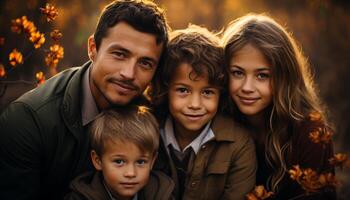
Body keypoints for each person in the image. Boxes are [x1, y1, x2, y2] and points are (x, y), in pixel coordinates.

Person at [0, 1, 169, 199]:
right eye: (119, 54)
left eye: (145, 63)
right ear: (92, 49)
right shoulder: (27, 122)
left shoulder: (157, 114)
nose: (129, 73)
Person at [221, 13, 336, 199]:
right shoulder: (219, 120)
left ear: (284, 77)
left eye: (262, 75)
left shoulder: (310, 131)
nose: (247, 88)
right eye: (237, 73)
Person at [151, 25, 256, 200]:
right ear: (165, 89)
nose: (195, 104)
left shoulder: (239, 145)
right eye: (183, 90)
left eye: (207, 92)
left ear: (220, 94)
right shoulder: (147, 131)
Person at [64, 106, 174, 200]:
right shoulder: (81, 197)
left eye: (141, 162)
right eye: (119, 161)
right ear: (98, 161)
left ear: (152, 161)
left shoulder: (162, 194)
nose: (131, 173)